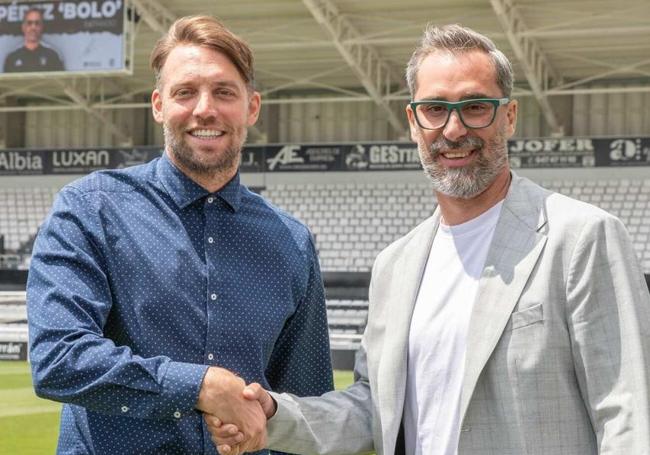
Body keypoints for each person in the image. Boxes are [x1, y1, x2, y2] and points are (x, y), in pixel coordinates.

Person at [208, 23, 650, 455]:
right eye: (435, 109)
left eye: (475, 106)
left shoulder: (582, 237)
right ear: (414, 122)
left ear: (509, 116)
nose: (454, 130)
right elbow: (372, 410)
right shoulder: (395, 265)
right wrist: (271, 414)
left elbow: (628, 414)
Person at [27, 15, 333, 454]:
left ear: (251, 107)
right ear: (158, 105)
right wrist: (198, 386)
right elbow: (58, 358)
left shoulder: (291, 242)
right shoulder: (91, 208)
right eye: (185, 92)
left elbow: (306, 402)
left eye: (224, 92)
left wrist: (266, 418)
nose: (204, 108)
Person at [3, 8, 64, 73]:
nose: (33, 27)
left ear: (41, 27)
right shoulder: (12, 57)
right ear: (23, 27)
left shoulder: (52, 55)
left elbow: (61, 82)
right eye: (29, 23)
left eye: (37, 23)